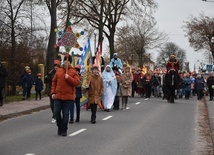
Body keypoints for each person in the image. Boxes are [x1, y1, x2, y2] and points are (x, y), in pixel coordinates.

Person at [51, 59, 80, 136]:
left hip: (68, 97)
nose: (65, 63)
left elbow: (77, 82)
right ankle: (59, 127)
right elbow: (54, 82)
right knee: (56, 112)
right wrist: (53, 92)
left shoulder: (73, 71)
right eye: (64, 62)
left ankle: (64, 130)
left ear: (69, 63)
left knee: (66, 114)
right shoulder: (59, 70)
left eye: (67, 62)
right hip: (58, 95)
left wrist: (69, 78)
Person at [44, 60, 60, 124]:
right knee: (52, 104)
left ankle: (55, 116)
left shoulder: (61, 72)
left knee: (57, 104)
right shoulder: (51, 72)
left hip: (59, 90)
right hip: (52, 90)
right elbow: (46, 81)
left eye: (57, 66)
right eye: (55, 66)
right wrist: (46, 78)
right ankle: (54, 115)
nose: (56, 67)